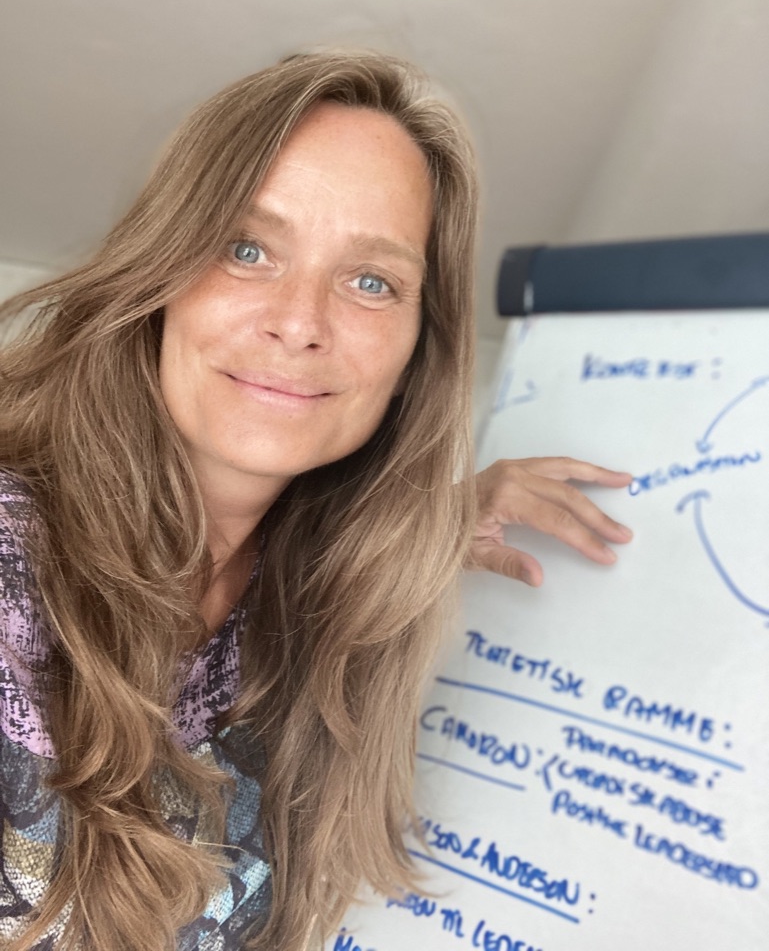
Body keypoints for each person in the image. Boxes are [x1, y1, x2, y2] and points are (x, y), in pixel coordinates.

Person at [0, 50, 631, 951]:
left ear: (418, 350)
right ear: (159, 274)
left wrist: (437, 515)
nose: (300, 321)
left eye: (371, 281)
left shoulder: (314, 592)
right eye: (245, 248)